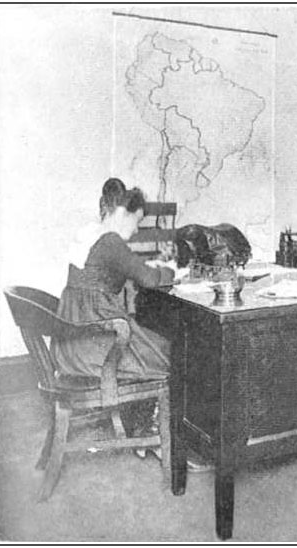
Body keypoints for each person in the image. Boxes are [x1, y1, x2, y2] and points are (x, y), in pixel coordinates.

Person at [51, 178, 213, 471]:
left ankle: (145, 430)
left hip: (74, 339)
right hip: (94, 346)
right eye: (137, 221)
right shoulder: (110, 242)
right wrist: (171, 270)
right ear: (122, 212)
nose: (137, 229)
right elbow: (149, 279)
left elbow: (122, 271)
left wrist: (149, 268)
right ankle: (163, 438)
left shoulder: (89, 235)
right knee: (175, 352)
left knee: (155, 342)